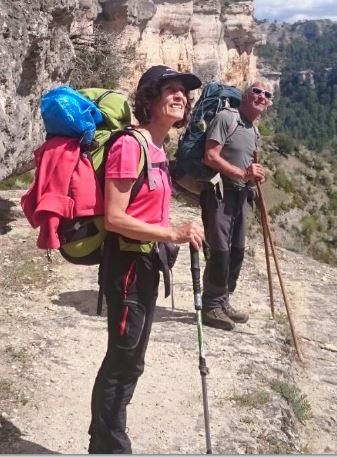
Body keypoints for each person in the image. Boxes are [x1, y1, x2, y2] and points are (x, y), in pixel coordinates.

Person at [88, 65, 204, 454]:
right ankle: (109, 444)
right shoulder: (130, 145)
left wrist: (176, 232)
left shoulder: (158, 148)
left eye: (183, 92)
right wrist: (174, 233)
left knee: (132, 359)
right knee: (123, 360)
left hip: (148, 265)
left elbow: (148, 210)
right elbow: (116, 217)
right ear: (149, 100)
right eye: (170, 90)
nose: (180, 96)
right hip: (127, 268)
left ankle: (107, 439)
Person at [200, 79, 273, 331]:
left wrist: (254, 178)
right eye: (257, 91)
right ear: (245, 95)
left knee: (237, 251)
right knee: (220, 251)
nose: (262, 96)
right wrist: (242, 174)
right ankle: (211, 306)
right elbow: (210, 156)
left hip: (241, 196)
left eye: (267, 94)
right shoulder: (226, 118)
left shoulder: (253, 130)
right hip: (220, 193)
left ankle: (223, 300)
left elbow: (247, 166)